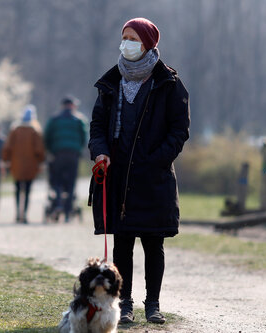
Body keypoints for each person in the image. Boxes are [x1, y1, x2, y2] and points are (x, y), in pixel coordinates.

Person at [88, 18, 190, 324]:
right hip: (119, 175)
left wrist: (155, 160)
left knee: (153, 242)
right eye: (123, 37)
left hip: (153, 177)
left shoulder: (169, 84)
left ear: (147, 43)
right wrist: (100, 152)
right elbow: (97, 127)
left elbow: (179, 131)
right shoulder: (110, 83)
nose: (126, 43)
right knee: (123, 242)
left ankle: (153, 304)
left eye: (132, 38)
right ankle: (126, 304)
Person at [43, 96, 89, 222]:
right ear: (73, 106)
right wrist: (79, 150)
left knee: (57, 180)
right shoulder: (79, 120)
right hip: (73, 155)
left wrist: (51, 151)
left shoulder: (54, 120)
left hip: (58, 154)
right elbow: (84, 137)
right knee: (71, 183)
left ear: (62, 106)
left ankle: (58, 204)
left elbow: (46, 137)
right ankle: (68, 211)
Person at [2, 105, 45, 224]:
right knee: (27, 191)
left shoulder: (15, 130)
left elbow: (7, 147)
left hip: (16, 166)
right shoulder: (35, 131)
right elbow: (39, 150)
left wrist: (6, 160)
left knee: (17, 189)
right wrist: (41, 161)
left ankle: (17, 213)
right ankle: (24, 214)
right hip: (30, 167)